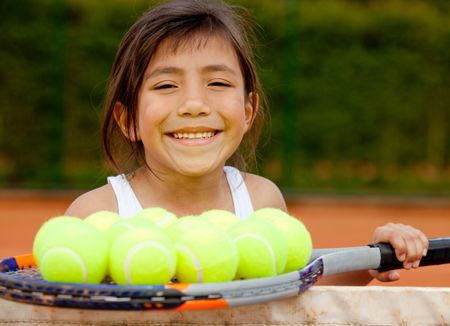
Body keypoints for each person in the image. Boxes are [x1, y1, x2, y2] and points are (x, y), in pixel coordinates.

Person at [65, 0, 428, 285]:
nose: (194, 105)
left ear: (248, 110)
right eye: (166, 85)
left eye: (218, 83)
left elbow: (300, 286)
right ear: (128, 120)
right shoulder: (94, 214)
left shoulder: (262, 201)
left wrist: (371, 259)